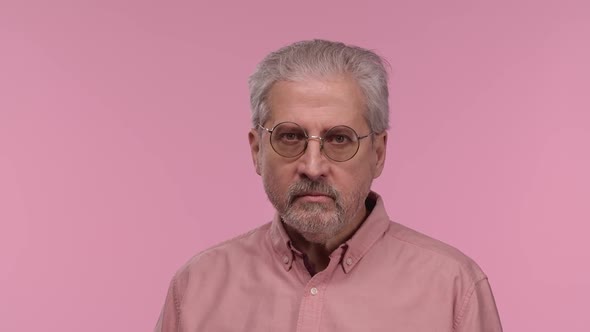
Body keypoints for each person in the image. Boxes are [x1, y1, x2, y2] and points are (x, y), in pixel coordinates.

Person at [154, 39, 503, 331]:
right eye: (290, 136)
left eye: (339, 138)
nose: (313, 166)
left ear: (378, 153)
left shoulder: (454, 290)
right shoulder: (197, 288)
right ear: (257, 150)